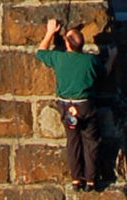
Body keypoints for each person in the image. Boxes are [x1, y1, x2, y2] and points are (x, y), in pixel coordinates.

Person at [36, 15, 104, 190]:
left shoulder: (59, 58)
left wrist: (50, 32)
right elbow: (103, 73)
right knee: (91, 141)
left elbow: (40, 52)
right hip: (86, 105)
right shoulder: (90, 60)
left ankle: (76, 179)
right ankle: (91, 179)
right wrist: (111, 57)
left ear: (67, 44)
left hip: (66, 105)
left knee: (73, 141)